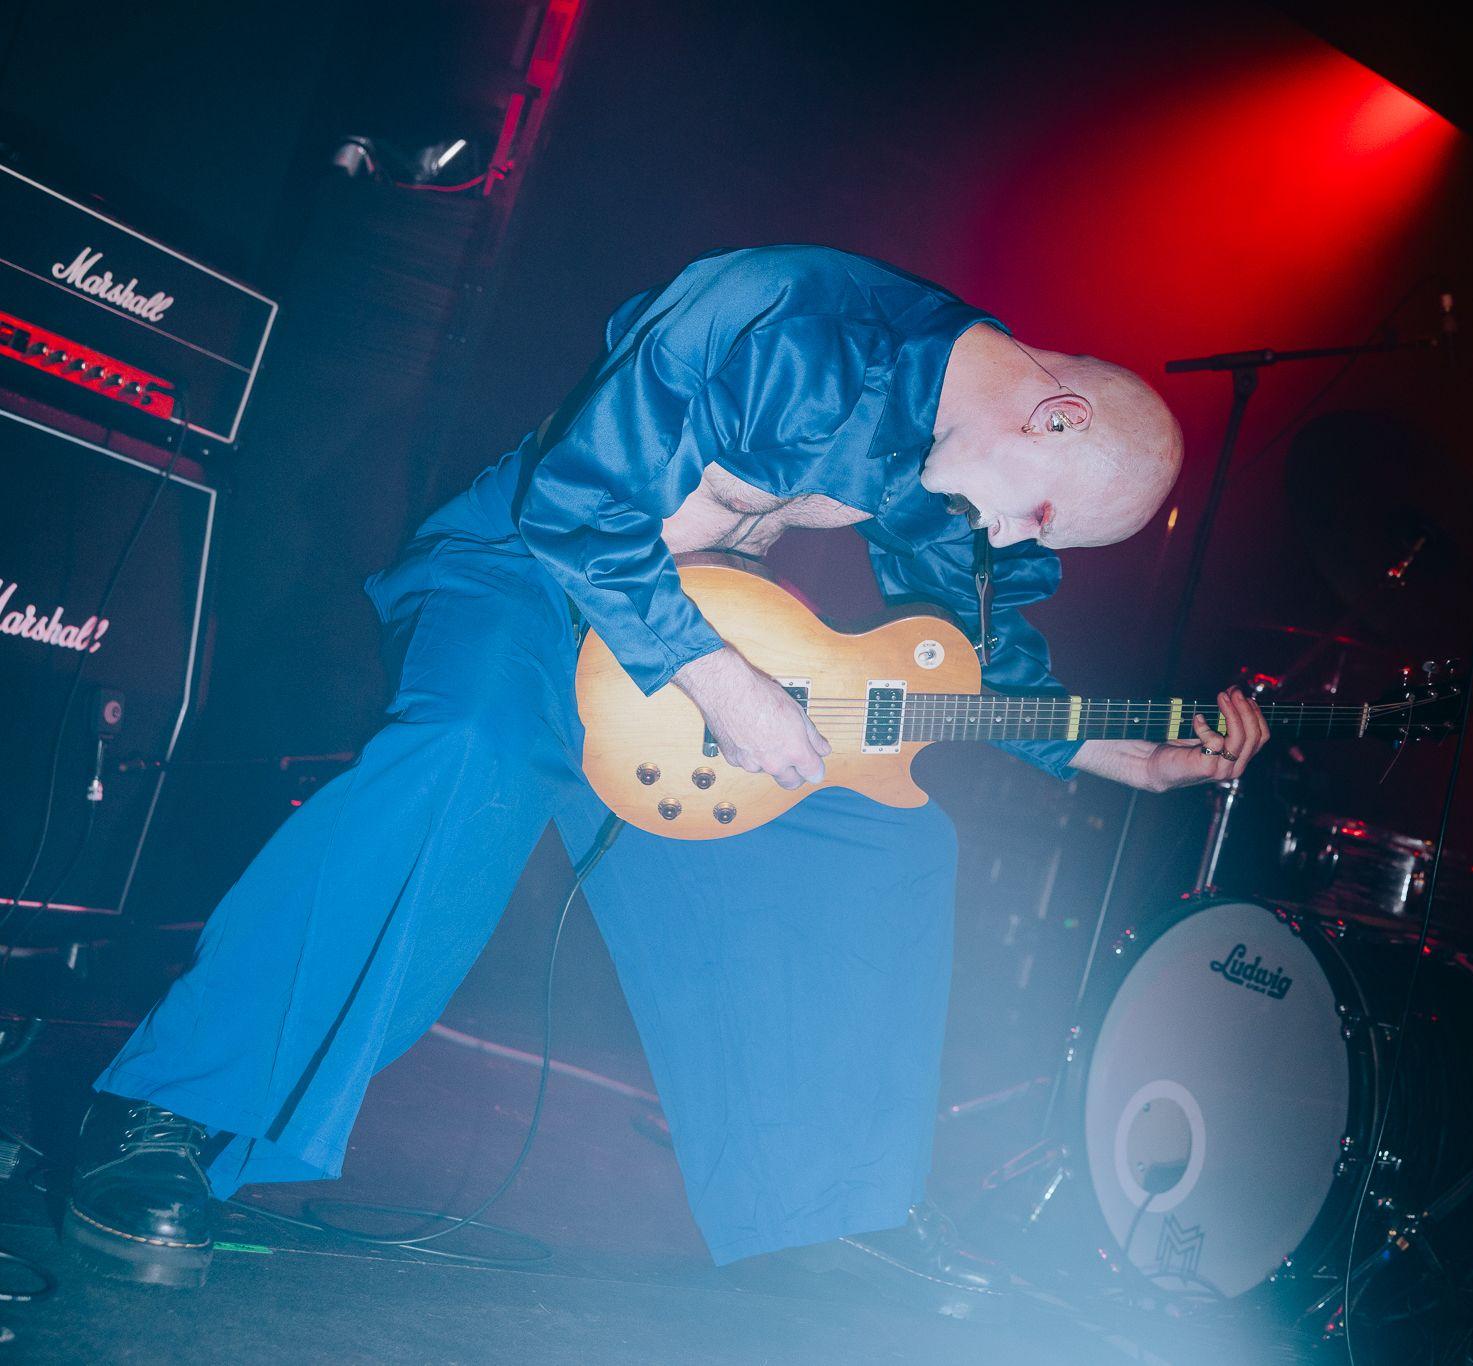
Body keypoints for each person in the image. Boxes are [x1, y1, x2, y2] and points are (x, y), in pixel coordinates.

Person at [62, 245, 1271, 1311]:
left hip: (703, 638)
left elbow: (978, 653)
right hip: (527, 570)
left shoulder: (956, 467)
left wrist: (1115, 747)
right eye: (1044, 521)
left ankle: (816, 1210)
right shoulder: (784, 312)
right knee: (470, 750)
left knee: (879, 840)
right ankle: (169, 1115)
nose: (1019, 543)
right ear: (1053, 418)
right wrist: (721, 682)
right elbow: (578, 506)